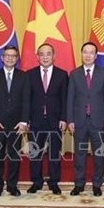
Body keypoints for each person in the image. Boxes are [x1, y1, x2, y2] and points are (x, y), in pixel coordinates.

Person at [67, 42, 104, 197]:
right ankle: (79, 184)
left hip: (98, 120)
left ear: (96, 55)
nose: (87, 55)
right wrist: (70, 120)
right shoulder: (74, 74)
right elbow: (70, 98)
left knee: (98, 155)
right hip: (79, 120)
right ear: (81, 54)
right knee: (79, 154)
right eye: (85, 52)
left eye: (91, 52)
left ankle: (96, 184)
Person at [26, 43, 69, 195]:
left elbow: (65, 99)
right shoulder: (29, 74)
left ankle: (54, 182)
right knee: (35, 153)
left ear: (54, 56)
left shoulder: (62, 75)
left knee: (54, 154)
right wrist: (26, 120)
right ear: (37, 57)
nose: (45, 57)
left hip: (55, 120)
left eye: (48, 54)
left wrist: (64, 118)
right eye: (42, 54)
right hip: (35, 120)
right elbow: (26, 100)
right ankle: (36, 182)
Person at [0, 45, 30, 197]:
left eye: (13, 56)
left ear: (17, 58)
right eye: (7, 55)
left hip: (16, 124)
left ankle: (12, 185)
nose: (10, 58)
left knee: (14, 156)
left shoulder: (24, 76)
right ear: (2, 57)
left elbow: (26, 100)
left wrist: (24, 122)